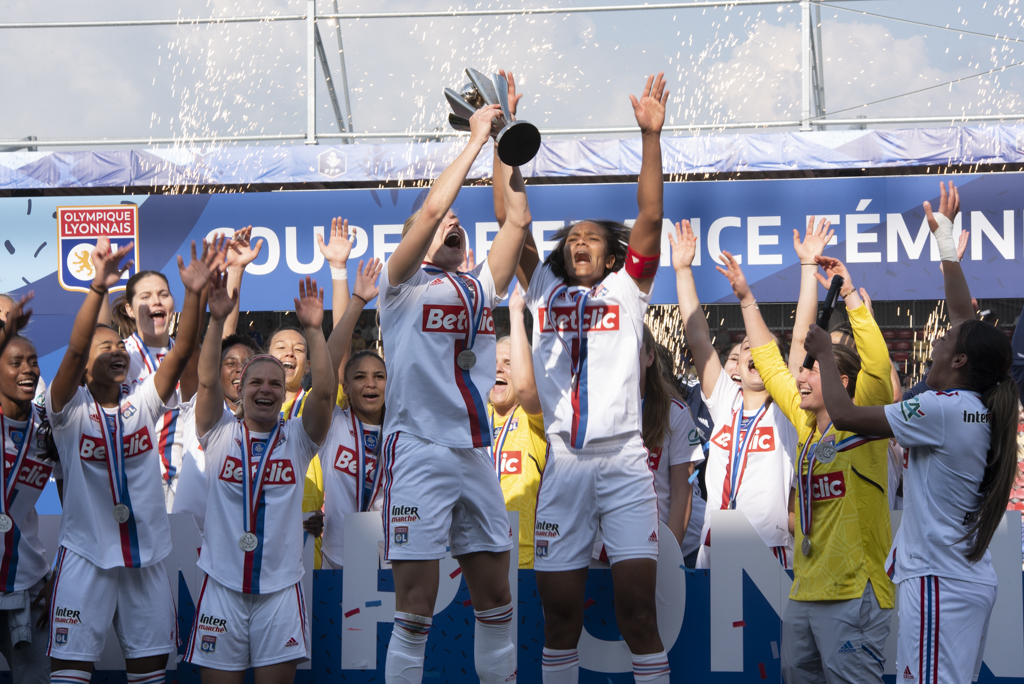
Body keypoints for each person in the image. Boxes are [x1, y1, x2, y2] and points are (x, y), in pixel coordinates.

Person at [804, 181, 1018, 684]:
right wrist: (945, 246)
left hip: (937, 582)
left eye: (944, 339)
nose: (938, 340)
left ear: (960, 362)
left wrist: (822, 356)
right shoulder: (983, 399)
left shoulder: (941, 408)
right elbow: (966, 319)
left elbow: (850, 415)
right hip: (962, 579)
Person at [516, 72, 672, 684]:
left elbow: (650, 214)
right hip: (563, 464)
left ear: (611, 256)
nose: (580, 242)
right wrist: (506, 140)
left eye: (592, 239)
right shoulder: (542, 286)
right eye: (572, 238)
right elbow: (514, 218)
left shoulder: (628, 288)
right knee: (559, 619)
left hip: (624, 463)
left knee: (637, 612)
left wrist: (651, 136)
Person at [377, 72, 529, 684]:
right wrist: (471, 141)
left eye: (457, 227)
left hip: (473, 453)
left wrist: (506, 143)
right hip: (417, 448)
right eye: (437, 226)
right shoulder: (399, 286)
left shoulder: (476, 284)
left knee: (497, 601)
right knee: (415, 610)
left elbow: (516, 225)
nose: (451, 223)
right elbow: (436, 205)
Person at [716, 240, 894, 683]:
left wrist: (851, 296)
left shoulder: (865, 418)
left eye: (812, 368)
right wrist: (745, 299)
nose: (801, 375)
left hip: (855, 592)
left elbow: (878, 364)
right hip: (805, 589)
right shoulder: (806, 423)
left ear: (841, 378)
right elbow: (773, 366)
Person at [45, 237, 215, 684]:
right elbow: (75, 351)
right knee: (69, 675)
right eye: (105, 348)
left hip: (148, 557)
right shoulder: (67, 409)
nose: (118, 350)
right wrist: (98, 288)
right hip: (86, 556)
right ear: (82, 367)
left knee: (150, 676)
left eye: (120, 347)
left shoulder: (141, 404)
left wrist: (195, 294)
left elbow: (179, 356)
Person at [186, 274, 335, 680]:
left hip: (279, 592)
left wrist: (314, 331)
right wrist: (215, 322)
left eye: (275, 382)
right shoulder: (217, 432)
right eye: (256, 382)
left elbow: (323, 395)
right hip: (221, 589)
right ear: (240, 389)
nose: (266, 389)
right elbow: (204, 379)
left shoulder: (299, 439)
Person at [669, 221, 797, 569]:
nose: (751, 352)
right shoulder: (726, 400)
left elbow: (797, 344)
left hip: (767, 553)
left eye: (760, 347)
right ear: (737, 367)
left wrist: (746, 299)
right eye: (744, 349)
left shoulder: (787, 412)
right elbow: (697, 336)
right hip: (714, 549)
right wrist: (682, 270)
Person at [0, 292, 57, 684]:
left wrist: (58, 574)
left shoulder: (49, 429)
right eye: (14, 361)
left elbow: (80, 504)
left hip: (29, 585)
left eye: (33, 362)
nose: (27, 370)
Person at [318, 258, 386, 569]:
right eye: (359, 377)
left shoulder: (403, 429)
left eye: (379, 376)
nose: (370, 384)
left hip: (391, 564)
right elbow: (332, 362)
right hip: (338, 563)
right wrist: (357, 300)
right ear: (345, 387)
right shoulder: (334, 424)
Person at [172, 334, 261, 533]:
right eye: (230, 363)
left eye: (248, 363)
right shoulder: (197, 406)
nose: (240, 368)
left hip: (238, 537)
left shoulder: (266, 425)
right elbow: (190, 350)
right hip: (189, 538)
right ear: (216, 371)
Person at [640, 329, 704, 565]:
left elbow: (682, 495)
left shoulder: (676, 412)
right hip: (607, 548)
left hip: (661, 549)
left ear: (649, 358)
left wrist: (667, 560)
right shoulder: (594, 410)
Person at [499, 288, 548, 570]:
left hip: (526, 562)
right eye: (494, 364)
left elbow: (526, 388)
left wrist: (516, 313)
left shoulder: (534, 418)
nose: (499, 370)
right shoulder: (476, 417)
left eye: (509, 364)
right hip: (475, 555)